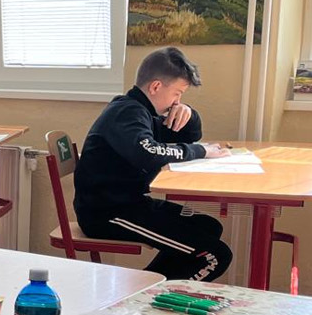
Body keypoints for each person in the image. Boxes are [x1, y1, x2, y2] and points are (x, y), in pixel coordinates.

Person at [74, 46, 232, 281]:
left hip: (131, 204)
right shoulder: (127, 113)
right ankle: (152, 293)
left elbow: (189, 136)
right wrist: (202, 151)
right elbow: (150, 153)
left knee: (208, 227)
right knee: (215, 255)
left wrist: (187, 113)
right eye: (177, 94)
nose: (177, 101)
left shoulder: (145, 111)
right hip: (107, 213)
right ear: (156, 87)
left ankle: (149, 287)